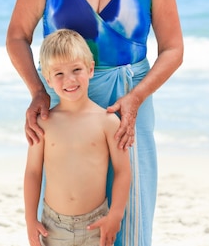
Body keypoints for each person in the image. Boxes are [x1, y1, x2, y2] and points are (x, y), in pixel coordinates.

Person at [6, 0, 184, 246]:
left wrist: (135, 98)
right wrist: (39, 92)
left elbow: (173, 50)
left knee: (128, 221)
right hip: (64, 103)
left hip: (126, 107)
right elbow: (17, 36)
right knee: (63, 218)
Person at [25, 29, 131, 246]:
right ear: (47, 78)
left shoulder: (108, 121)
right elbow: (33, 172)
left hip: (96, 224)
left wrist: (116, 215)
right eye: (59, 74)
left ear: (90, 69)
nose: (69, 80)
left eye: (76, 69)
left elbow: (122, 171)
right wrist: (29, 220)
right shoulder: (44, 123)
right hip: (53, 226)